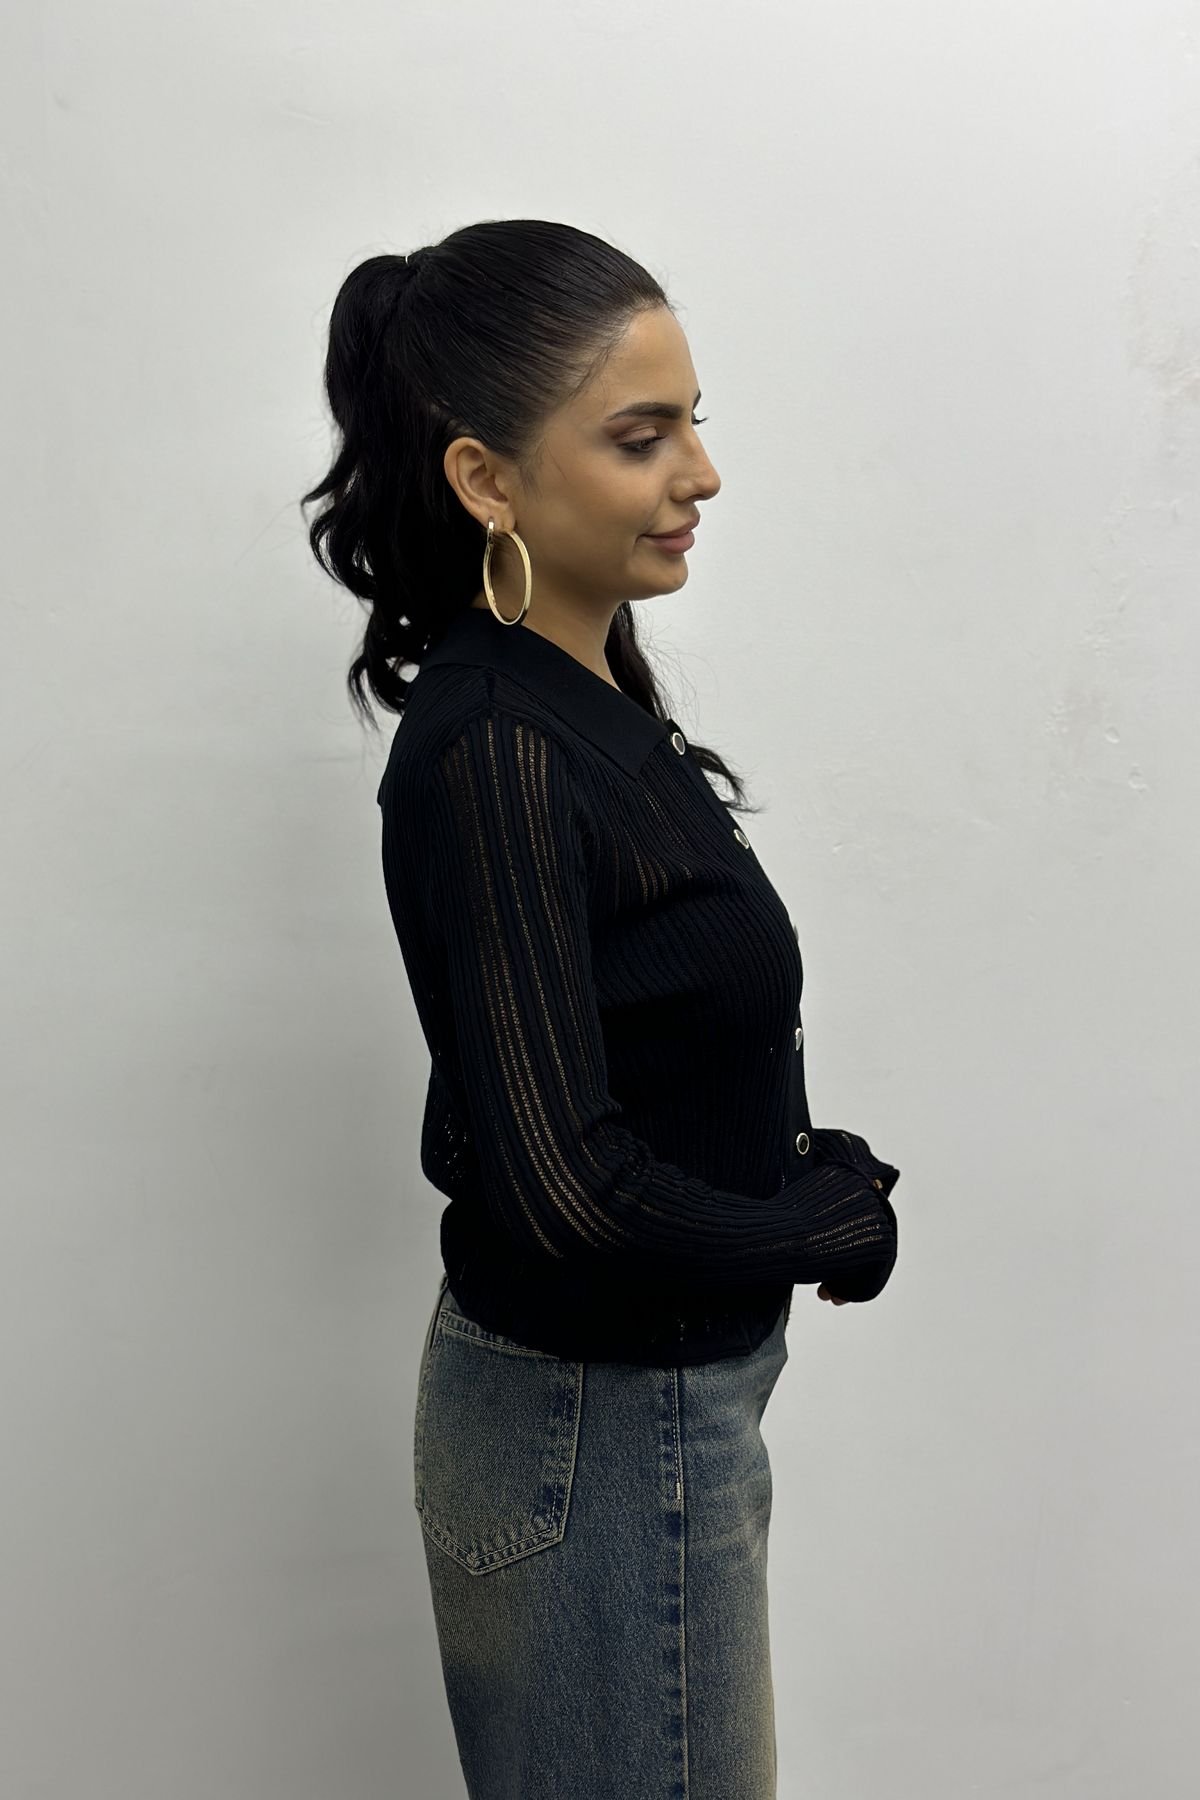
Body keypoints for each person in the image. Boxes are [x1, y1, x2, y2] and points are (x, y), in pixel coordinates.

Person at [301, 219, 901, 1800]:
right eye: (642, 438)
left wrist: (796, 1175)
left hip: (637, 1424)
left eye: (694, 421)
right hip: (601, 1431)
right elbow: (563, 1182)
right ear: (487, 481)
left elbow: (637, 1045)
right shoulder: (500, 745)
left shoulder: (585, 697)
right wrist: (810, 1224)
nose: (701, 473)